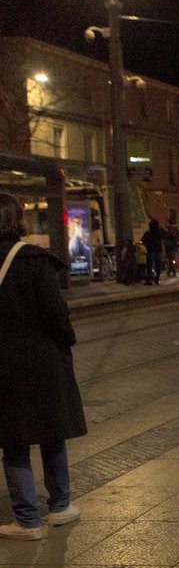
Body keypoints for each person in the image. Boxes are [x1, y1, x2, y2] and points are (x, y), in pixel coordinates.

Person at [0, 192, 86, 540]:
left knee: (13, 441)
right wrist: (67, 339)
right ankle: (60, 506)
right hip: (43, 362)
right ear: (17, 221)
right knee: (52, 434)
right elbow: (56, 314)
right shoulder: (36, 261)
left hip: (4, 367)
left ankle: (26, 520)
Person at [141, 218, 165, 284]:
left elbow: (142, 241)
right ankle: (157, 278)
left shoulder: (147, 233)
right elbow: (164, 237)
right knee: (158, 266)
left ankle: (149, 279)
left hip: (150, 251)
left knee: (149, 266)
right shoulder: (159, 233)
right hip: (158, 251)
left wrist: (146, 245)